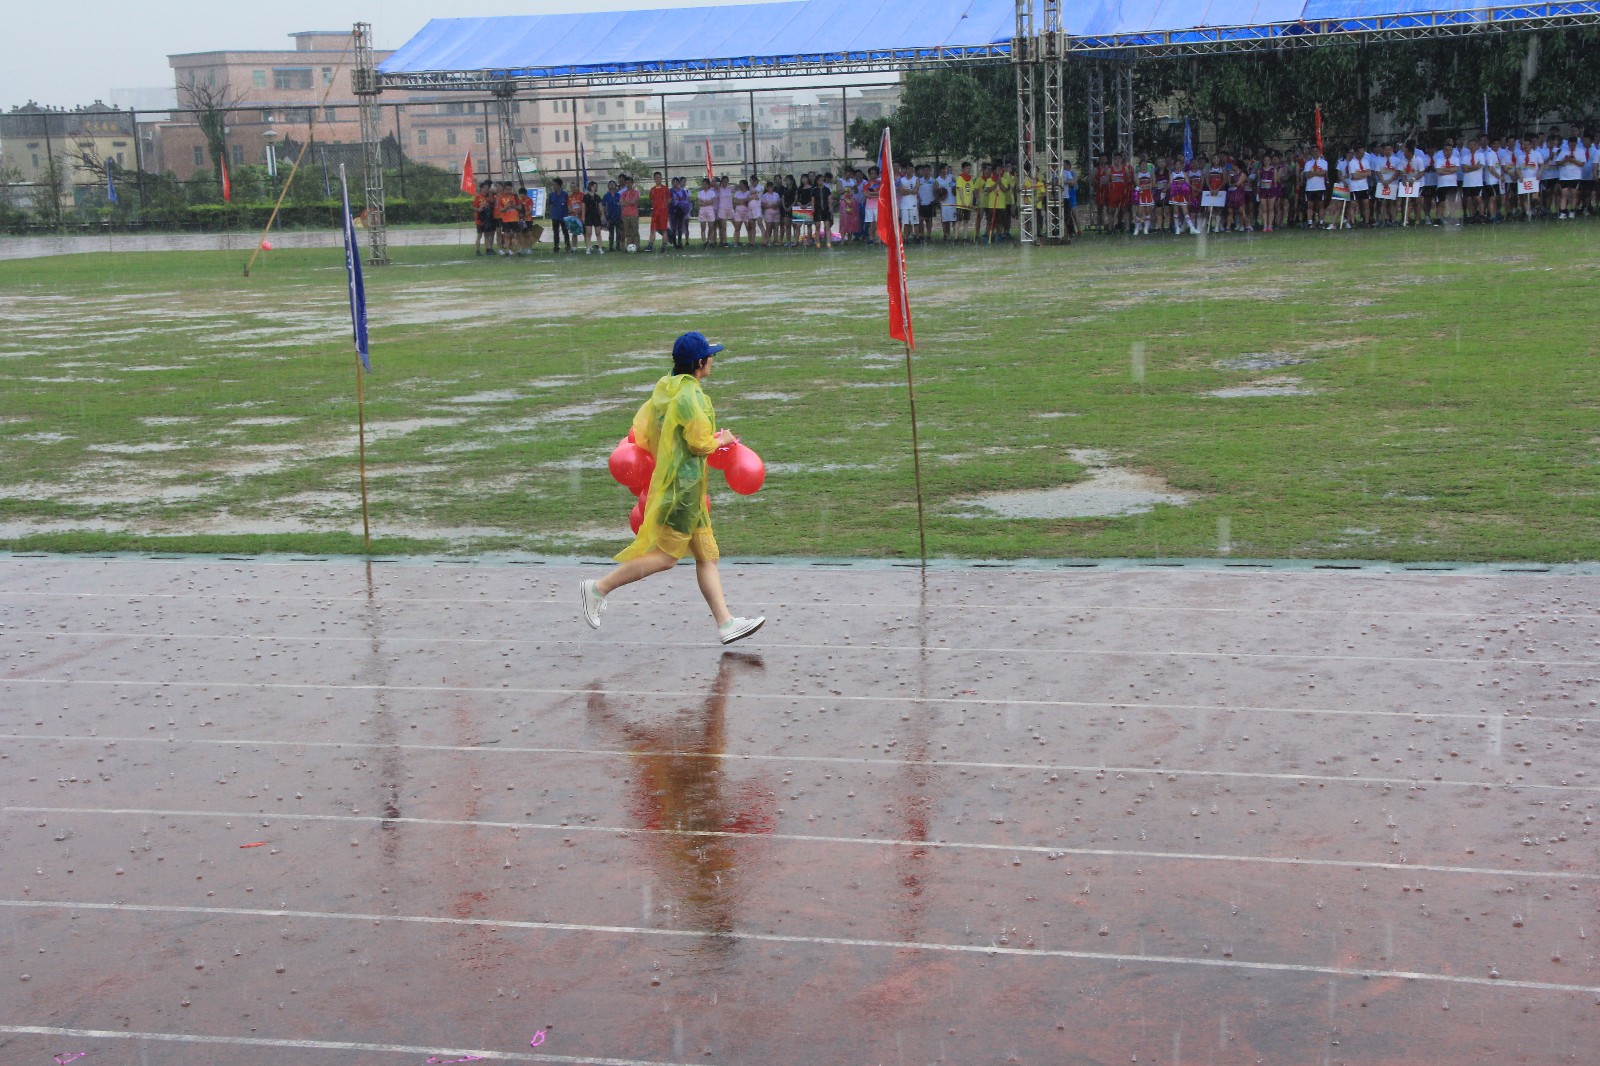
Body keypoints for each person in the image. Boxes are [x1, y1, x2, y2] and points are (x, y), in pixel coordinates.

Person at [580, 331, 765, 647]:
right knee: (665, 558)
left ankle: (726, 624)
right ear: (699, 363)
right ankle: (597, 589)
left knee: (707, 554)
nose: (713, 360)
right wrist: (724, 439)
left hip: (686, 486)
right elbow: (699, 443)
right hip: (682, 489)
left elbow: (655, 431)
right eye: (710, 356)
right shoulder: (691, 398)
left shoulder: (667, 388)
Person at [547, 178, 572, 254]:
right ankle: (556, 246)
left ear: (558, 185)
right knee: (555, 232)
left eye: (554, 184)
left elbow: (568, 204)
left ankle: (567, 246)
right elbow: (550, 204)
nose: (553, 186)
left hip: (563, 216)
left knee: (565, 232)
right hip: (555, 216)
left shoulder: (565, 194)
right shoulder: (551, 195)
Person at [647, 172, 671, 250]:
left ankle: (664, 245)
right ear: (654, 179)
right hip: (655, 213)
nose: (658, 179)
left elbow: (669, 200)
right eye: (656, 177)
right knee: (653, 229)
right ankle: (650, 246)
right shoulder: (652, 190)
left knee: (664, 229)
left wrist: (663, 207)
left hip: (663, 213)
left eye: (659, 177)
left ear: (661, 178)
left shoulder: (665, 189)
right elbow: (651, 201)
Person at [472, 182, 495, 256]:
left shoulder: (488, 197)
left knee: (487, 235)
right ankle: (477, 250)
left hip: (487, 219)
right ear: (481, 188)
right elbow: (473, 207)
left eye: (487, 187)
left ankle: (488, 249)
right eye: (484, 187)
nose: (486, 189)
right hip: (480, 219)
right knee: (479, 235)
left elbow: (492, 203)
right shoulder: (478, 197)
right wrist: (479, 209)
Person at [619, 174, 641, 249]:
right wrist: (628, 202)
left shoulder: (636, 192)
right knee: (627, 232)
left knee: (635, 231)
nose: (628, 184)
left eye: (629, 183)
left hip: (633, 214)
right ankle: (629, 246)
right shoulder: (623, 193)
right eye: (626, 183)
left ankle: (636, 246)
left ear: (632, 183)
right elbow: (621, 202)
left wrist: (626, 203)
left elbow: (633, 202)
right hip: (625, 215)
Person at [582, 180, 604, 252]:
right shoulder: (585, 196)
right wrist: (583, 216)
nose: (595, 187)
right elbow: (583, 207)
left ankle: (600, 248)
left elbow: (600, 207)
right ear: (590, 187)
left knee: (598, 233)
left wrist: (602, 215)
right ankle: (588, 248)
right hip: (588, 215)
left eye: (596, 186)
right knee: (588, 233)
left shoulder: (597, 197)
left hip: (596, 215)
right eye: (594, 186)